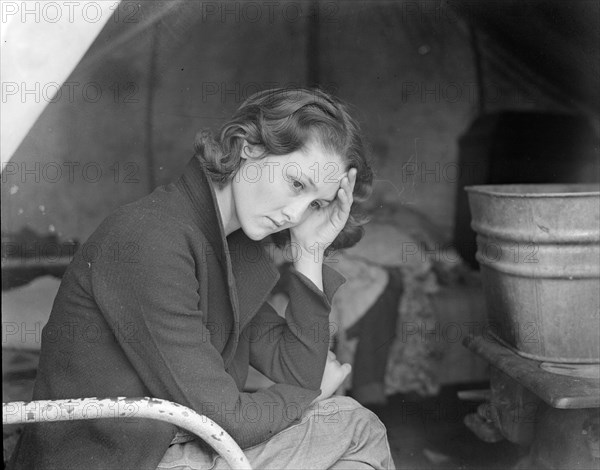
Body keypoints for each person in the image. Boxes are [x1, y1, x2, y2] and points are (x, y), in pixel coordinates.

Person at [8, 88, 396, 469]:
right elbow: (233, 419)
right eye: (297, 184)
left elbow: (296, 369)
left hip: (171, 444)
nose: (296, 215)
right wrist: (307, 398)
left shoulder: (232, 246)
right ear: (250, 146)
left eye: (316, 204)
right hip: (117, 458)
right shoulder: (151, 238)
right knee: (357, 427)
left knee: (347, 420)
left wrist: (309, 253)